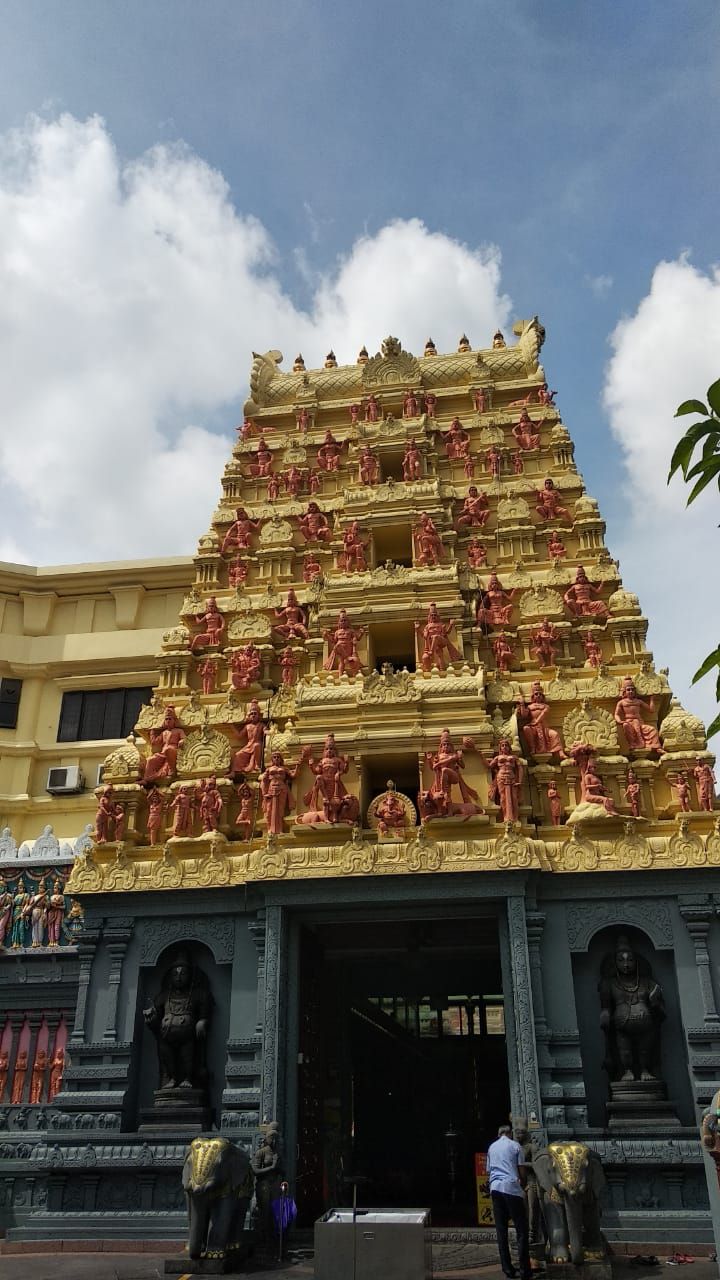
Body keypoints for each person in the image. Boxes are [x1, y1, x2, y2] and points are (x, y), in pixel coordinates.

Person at [487, 1124, 532, 1280]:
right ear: (510, 1133)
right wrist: (524, 1185)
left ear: (499, 1134)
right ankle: (525, 1270)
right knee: (521, 1230)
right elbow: (521, 1170)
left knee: (501, 1231)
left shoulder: (492, 1147)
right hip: (511, 1188)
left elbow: (489, 1170)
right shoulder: (515, 1146)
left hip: (495, 1189)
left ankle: (507, 1269)